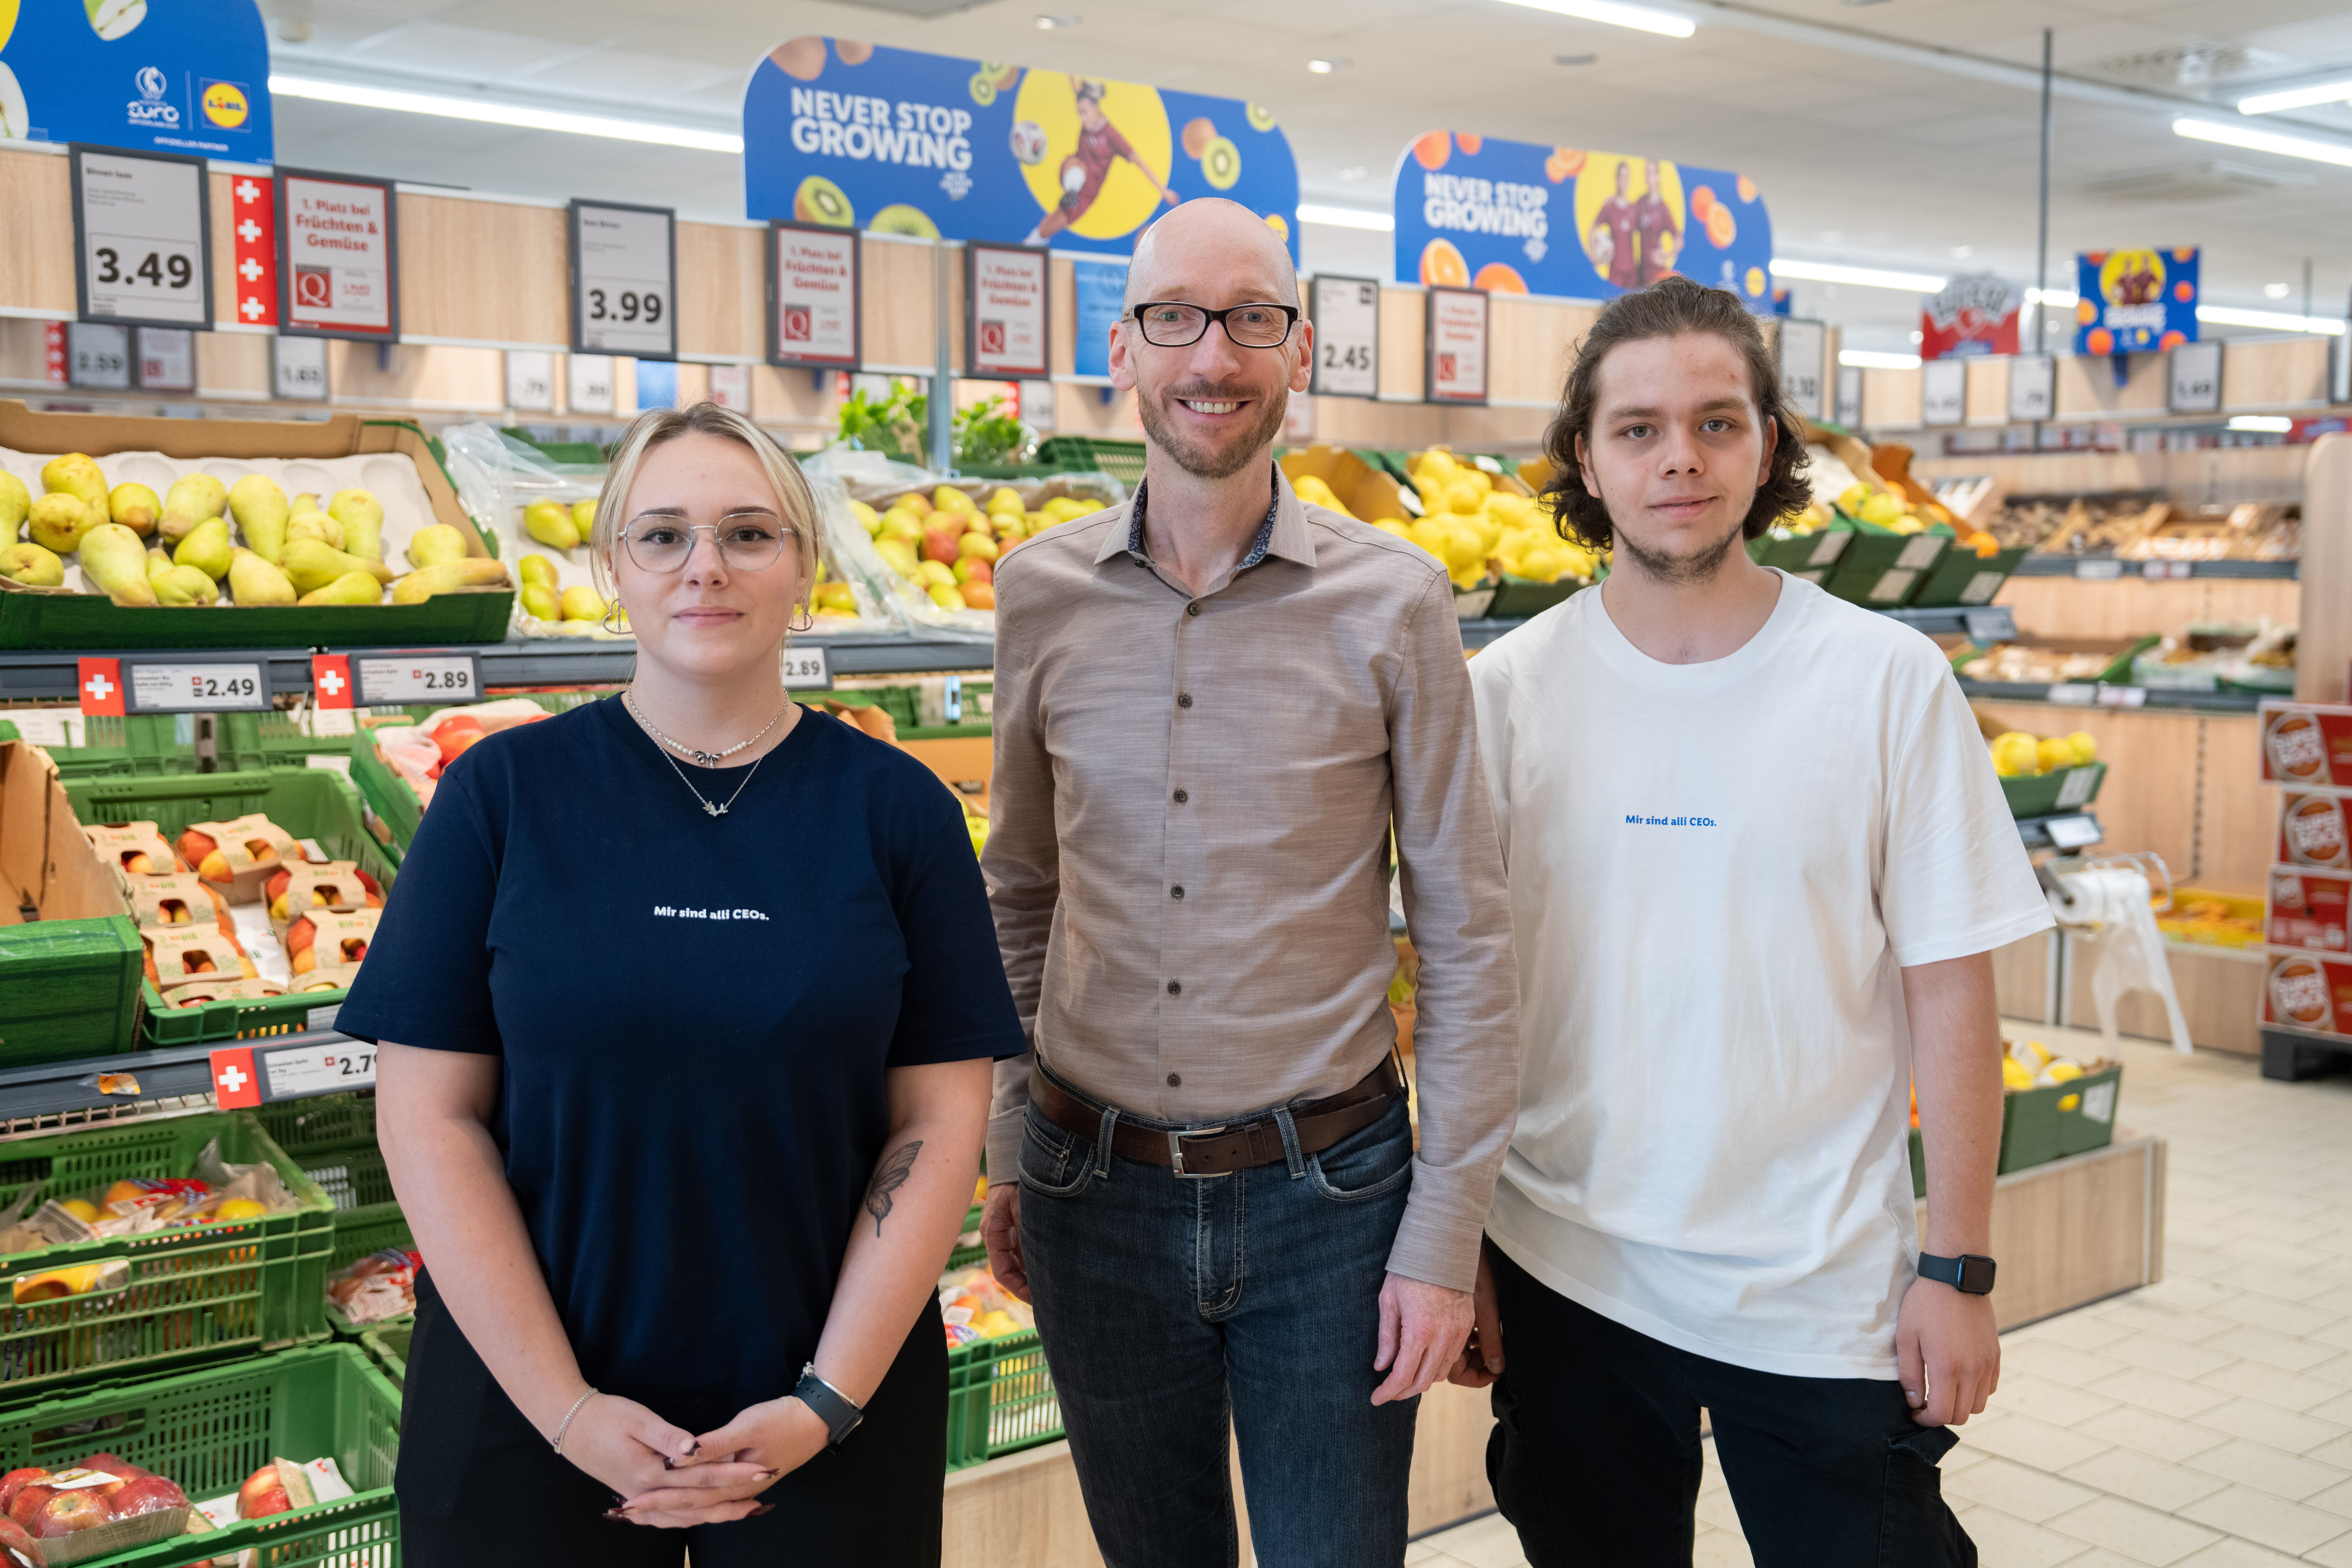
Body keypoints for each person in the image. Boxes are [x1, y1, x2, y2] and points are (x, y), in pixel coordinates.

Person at [343, 402, 1025, 1567]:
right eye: (661, 535)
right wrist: (565, 1409)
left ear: (805, 566)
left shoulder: (897, 811)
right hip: (523, 1403)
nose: (703, 565)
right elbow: (427, 1113)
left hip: (823, 1409)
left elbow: (938, 1120)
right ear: (610, 567)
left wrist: (822, 1403)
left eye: (749, 533)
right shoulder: (499, 797)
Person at [1453, 277, 2052, 1567]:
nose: (1682, 458)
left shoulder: (1888, 682)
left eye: (1719, 423)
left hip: (1826, 1291)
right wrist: (1458, 1248)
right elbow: (1458, 997)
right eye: (1640, 428)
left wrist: (1960, 1268)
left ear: (1770, 448)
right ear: (1585, 459)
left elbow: (1952, 990)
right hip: (1568, 1275)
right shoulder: (1502, 696)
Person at [980, 197, 1519, 1568]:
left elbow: (1465, 933)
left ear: (1300, 347)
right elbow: (1022, 890)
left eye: (1250, 318)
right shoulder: (1038, 593)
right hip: (1091, 1191)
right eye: (1176, 316)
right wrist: (1008, 1138)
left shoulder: (1398, 602)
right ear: (1124, 346)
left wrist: (1445, 1230)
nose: (1211, 355)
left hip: (1331, 1202)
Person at [1021, 78, 1179, 246]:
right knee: (1077, 165)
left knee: (1045, 230)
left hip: (1087, 194)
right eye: (1079, 114)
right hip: (1072, 172)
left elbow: (1140, 162)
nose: (1082, 119)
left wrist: (1164, 191)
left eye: (1085, 112)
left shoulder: (1111, 136)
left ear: (1096, 108)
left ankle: (1028, 247)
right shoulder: (1086, 112)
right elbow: (1076, 88)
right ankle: (1071, 191)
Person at [1632, 158, 1681, 286]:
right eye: (1647, 173)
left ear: (1659, 177)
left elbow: (1679, 240)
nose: (1649, 177)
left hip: (1656, 272)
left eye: (1653, 173)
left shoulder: (1663, 208)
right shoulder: (1641, 203)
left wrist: (1665, 257)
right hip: (1641, 269)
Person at [1595, 159, 1640, 291]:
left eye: (1627, 178)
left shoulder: (1634, 209)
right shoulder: (1610, 206)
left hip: (1632, 272)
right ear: (1617, 178)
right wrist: (1596, 255)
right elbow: (1593, 230)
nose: (1624, 181)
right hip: (1616, 270)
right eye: (1622, 177)